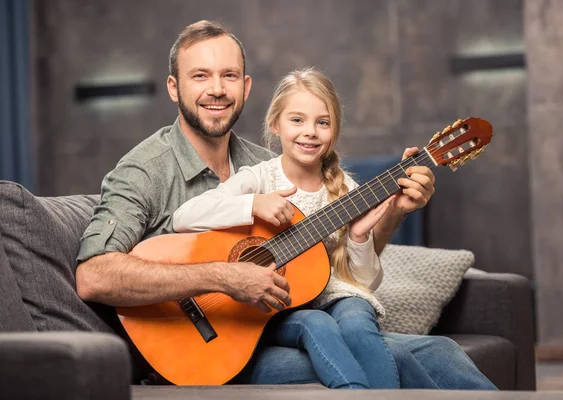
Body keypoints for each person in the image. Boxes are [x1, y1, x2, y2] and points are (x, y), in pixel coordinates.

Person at [75, 20, 496, 390]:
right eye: (200, 75)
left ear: (246, 86)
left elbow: (334, 263)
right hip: (202, 343)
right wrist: (226, 276)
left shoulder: (270, 163)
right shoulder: (146, 170)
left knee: (438, 350)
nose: (217, 89)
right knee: (398, 357)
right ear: (174, 87)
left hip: (277, 325)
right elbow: (93, 277)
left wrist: (392, 214)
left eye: (230, 75)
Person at [172, 67, 401, 389]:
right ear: (274, 124)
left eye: (322, 122)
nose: (310, 131)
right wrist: (253, 204)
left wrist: (359, 238)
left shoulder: (346, 189)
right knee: (317, 322)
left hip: (325, 298)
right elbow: (184, 216)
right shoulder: (259, 178)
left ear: (334, 131)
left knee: (357, 315)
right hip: (264, 309)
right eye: (297, 120)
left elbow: (361, 282)